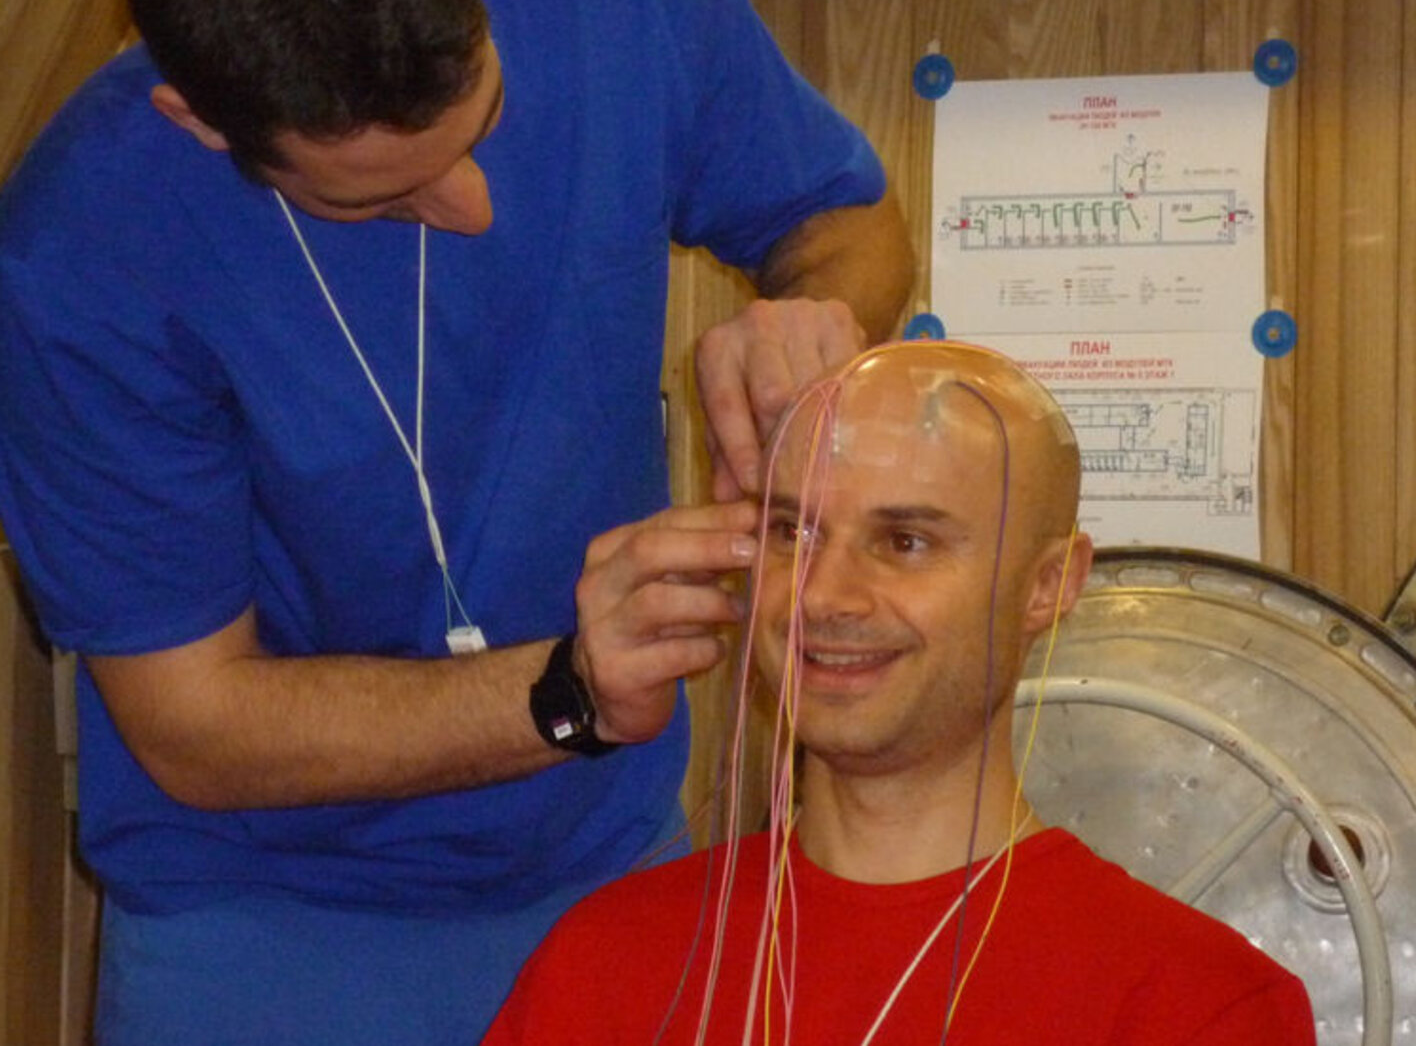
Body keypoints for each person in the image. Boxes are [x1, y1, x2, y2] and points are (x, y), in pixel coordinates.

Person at [0, 0, 912, 1044]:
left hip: (609, 868)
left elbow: (855, 229)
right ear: (199, 118)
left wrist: (813, 316)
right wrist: (567, 688)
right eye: (385, 198)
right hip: (261, 924)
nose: (467, 208)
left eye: (482, 127)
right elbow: (197, 726)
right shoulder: (72, 265)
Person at [484, 340, 1316, 1044]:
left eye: (905, 540)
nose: (822, 595)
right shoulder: (602, 963)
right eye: (792, 532)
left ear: (1048, 583)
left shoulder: (1195, 1004)